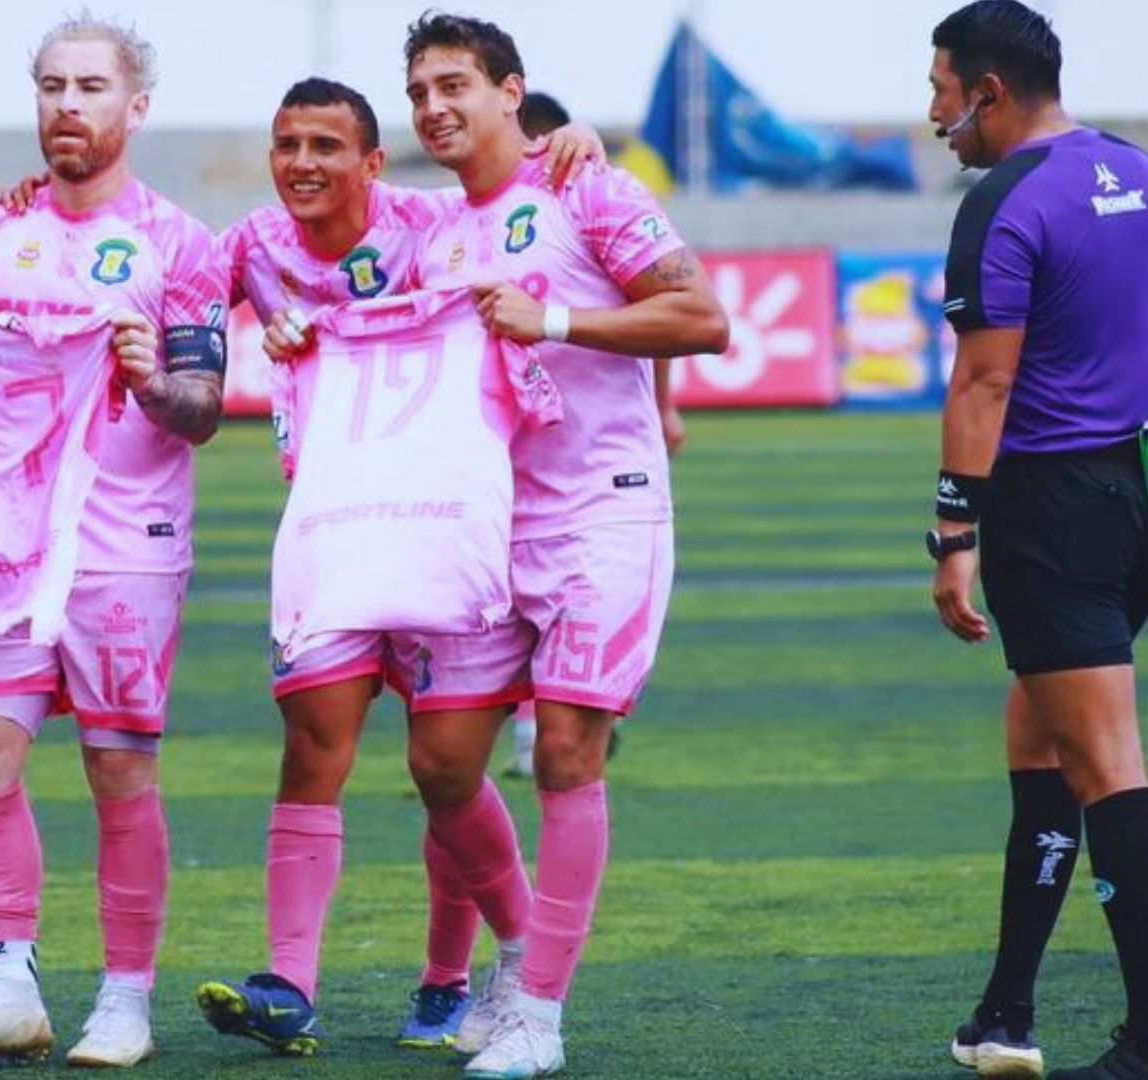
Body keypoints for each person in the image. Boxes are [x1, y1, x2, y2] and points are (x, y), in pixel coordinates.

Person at [175, 80, 606, 1056]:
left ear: (373, 163)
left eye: (327, 145)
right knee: (311, 743)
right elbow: (169, 272)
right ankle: (291, 983)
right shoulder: (249, 248)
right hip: (329, 525)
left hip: (441, 522)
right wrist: (48, 194)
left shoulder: (434, 223)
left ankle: (473, 971)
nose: (303, 163)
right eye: (287, 144)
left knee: (443, 766)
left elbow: (531, 202)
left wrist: (570, 143)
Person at [0, 15, 230, 1069]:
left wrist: (147, 381)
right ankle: (9, 987)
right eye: (49, 85)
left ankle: (125, 1001)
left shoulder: (177, 243)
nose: (66, 105)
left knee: (117, 770)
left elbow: (204, 407)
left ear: (136, 106)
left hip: (126, 543)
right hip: (5, 546)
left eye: (89, 86)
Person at [399, 13, 728, 1078]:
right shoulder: (431, 229)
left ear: (510, 90)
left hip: (603, 506)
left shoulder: (589, 188)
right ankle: (515, 952)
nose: (437, 107)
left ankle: (538, 1013)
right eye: (420, 92)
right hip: (485, 525)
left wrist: (555, 322)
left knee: (568, 752)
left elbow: (702, 317)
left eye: (456, 84)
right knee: (443, 765)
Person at [923, 3, 1148, 1079]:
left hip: (1046, 507)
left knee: (1104, 760)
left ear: (990, 91)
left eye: (942, 92)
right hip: (1142, 496)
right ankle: (1004, 1015)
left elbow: (986, 379)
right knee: (1039, 738)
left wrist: (953, 527)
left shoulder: (1004, 198)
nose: (936, 116)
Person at [499, 90, 687, 781]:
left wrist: (663, 409)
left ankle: (539, 740)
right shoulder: (473, 217)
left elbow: (671, 317)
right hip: (505, 479)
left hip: (596, 478)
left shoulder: (590, 199)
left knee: (566, 709)